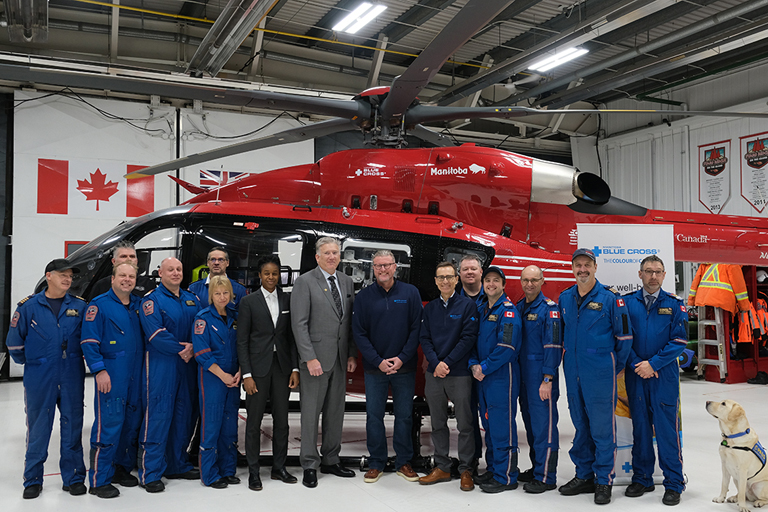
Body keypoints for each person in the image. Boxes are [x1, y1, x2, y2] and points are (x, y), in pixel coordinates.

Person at [6, 258, 88, 499]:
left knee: (73, 425)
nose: (68, 278)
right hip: (39, 376)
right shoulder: (28, 307)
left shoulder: (80, 306)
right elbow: (14, 344)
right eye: (62, 274)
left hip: (71, 373)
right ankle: (33, 479)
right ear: (48, 276)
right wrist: (36, 362)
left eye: (70, 275)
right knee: (39, 428)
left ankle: (73, 477)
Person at [558, 248, 633, 505]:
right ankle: (584, 475)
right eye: (578, 264)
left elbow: (624, 338)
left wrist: (612, 367)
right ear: (572, 268)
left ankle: (604, 480)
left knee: (602, 429)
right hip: (573, 370)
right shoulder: (565, 298)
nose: (582, 269)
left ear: (595, 267)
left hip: (601, 371)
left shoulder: (611, 299)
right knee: (580, 425)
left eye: (587, 265)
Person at [291, 237, 357, 488]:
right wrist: (309, 358)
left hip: (340, 359)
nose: (332, 257)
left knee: (334, 413)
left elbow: (348, 323)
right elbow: (299, 324)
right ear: (317, 257)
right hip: (315, 361)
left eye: (335, 253)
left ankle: (331, 459)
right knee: (310, 414)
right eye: (327, 253)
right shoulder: (305, 282)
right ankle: (309, 463)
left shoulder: (347, 281)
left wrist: (351, 353)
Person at [352, 250, 422, 484]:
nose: (383, 269)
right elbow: (359, 334)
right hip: (375, 368)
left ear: (395, 267)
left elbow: (415, 331)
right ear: (373, 268)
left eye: (387, 265)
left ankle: (404, 461)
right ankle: (376, 462)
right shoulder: (363, 297)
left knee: (403, 416)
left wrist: (401, 358)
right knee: (374, 416)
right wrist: (378, 361)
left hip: (404, 367)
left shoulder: (410, 293)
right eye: (378, 266)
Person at [623, 255, 688, 506]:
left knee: (666, 431)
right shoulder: (627, 303)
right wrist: (638, 364)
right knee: (640, 428)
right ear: (640, 274)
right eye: (648, 271)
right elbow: (622, 338)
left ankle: (673, 483)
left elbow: (679, 341)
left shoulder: (675, 305)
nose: (653, 276)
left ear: (664, 275)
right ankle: (642, 478)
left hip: (664, 376)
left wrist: (654, 364)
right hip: (636, 373)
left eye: (658, 272)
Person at [137, 257, 202, 492]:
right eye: (170, 270)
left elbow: (201, 326)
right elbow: (156, 334)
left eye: (178, 269)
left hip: (187, 366)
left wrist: (194, 346)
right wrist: (182, 349)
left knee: (184, 416)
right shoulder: (151, 301)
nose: (175, 273)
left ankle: (177, 464)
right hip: (161, 365)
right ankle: (151, 472)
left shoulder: (191, 299)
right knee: (158, 416)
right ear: (160, 273)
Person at [81, 262, 144, 498]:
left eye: (131, 276)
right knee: (109, 424)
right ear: (113, 279)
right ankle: (99, 480)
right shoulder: (99, 306)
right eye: (122, 276)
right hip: (112, 373)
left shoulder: (138, 305)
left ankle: (120, 469)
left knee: (130, 423)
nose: (127, 280)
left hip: (136, 373)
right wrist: (99, 370)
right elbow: (88, 341)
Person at [237, 255, 299, 491]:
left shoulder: (288, 299)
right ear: (259, 275)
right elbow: (242, 341)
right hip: (257, 369)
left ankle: (279, 468)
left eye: (275, 273)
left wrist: (294, 368)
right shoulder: (249, 302)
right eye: (267, 273)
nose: (271, 277)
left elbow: (290, 338)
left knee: (282, 421)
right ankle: (253, 471)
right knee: (253, 422)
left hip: (282, 368)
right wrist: (247, 374)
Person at [419, 262, 479, 491]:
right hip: (435, 374)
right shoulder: (430, 308)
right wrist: (436, 363)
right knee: (437, 423)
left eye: (449, 277)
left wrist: (446, 363)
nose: (445, 281)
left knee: (465, 423)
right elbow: (424, 338)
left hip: (459, 373)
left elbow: (468, 338)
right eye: (440, 277)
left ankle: (466, 469)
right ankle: (442, 466)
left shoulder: (467, 306)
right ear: (435, 281)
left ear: (456, 280)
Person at [470, 266, 522, 493]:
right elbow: (473, 340)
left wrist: (484, 367)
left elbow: (507, 347)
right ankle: (493, 469)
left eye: (495, 281)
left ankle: (507, 476)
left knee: (502, 427)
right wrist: (474, 364)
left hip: (501, 377)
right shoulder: (481, 308)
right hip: (482, 376)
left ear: (503, 285)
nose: (491, 284)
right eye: (487, 280)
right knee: (489, 426)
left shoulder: (508, 311)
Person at [515, 265, 562, 494]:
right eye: (526, 280)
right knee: (532, 428)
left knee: (545, 429)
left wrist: (547, 378)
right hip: (523, 378)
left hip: (541, 378)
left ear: (542, 281)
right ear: (521, 281)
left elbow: (553, 346)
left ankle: (547, 476)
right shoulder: (518, 307)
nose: (530, 284)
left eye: (534, 280)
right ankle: (537, 469)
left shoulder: (549, 310)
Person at [192, 275, 241, 489]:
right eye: (217, 293)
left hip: (234, 378)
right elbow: (202, 353)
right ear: (211, 295)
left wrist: (239, 371)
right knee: (211, 425)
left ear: (231, 294)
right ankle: (210, 474)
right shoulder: (202, 318)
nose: (222, 297)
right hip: (213, 377)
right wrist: (223, 376)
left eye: (225, 293)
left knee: (230, 425)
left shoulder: (236, 317)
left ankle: (228, 470)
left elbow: (243, 348)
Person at [457, 254, 485, 469]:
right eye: (465, 269)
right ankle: (472, 458)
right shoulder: (453, 299)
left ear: (481, 272)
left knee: (490, 416)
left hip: (486, 368)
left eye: (473, 269)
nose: (469, 273)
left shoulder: (493, 297)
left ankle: (495, 462)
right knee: (467, 416)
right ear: (459, 274)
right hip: (461, 367)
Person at [89, 241, 156, 299]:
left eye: (132, 256)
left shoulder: (148, 284)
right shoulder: (101, 286)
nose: (129, 259)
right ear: (114, 261)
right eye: (123, 256)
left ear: (137, 261)